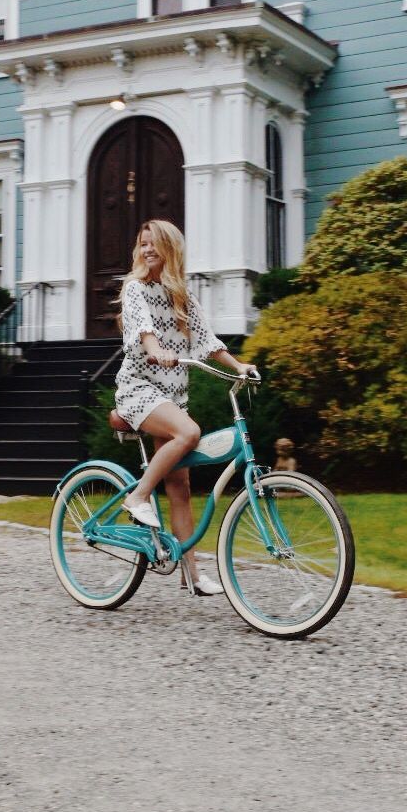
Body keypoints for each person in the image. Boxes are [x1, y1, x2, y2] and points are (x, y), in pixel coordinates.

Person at [114, 218, 258, 596]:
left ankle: (191, 575)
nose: (147, 250)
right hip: (139, 388)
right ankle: (138, 496)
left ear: (171, 249)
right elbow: (143, 328)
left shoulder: (182, 297)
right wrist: (155, 349)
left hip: (172, 395)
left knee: (180, 485)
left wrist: (238, 365)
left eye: (155, 244)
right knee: (189, 432)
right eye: (143, 243)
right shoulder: (134, 290)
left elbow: (209, 342)